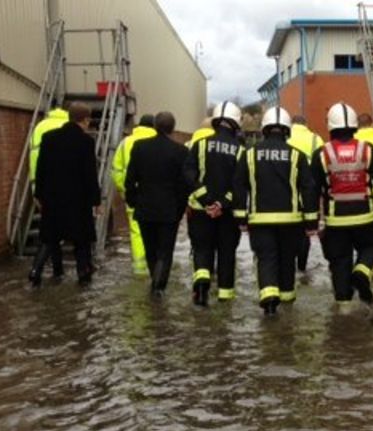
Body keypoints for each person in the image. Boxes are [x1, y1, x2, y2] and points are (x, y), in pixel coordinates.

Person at [233, 107, 318, 315]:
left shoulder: (249, 155)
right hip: (291, 221)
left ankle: (269, 301)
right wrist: (311, 223)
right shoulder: (297, 156)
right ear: (287, 130)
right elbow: (309, 189)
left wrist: (241, 217)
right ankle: (288, 303)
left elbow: (238, 186)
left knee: (266, 258)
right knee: (287, 259)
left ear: (265, 129)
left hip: (260, 221)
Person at [311, 102, 373, 304]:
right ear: (354, 126)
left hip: (335, 223)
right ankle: (362, 271)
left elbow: (312, 191)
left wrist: (312, 222)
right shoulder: (368, 150)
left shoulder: (321, 154)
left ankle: (343, 311)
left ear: (330, 126)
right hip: (366, 219)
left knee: (339, 264)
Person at [29, 102, 101, 286]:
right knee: (81, 240)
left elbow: (41, 169)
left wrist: (39, 195)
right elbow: (90, 174)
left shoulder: (48, 138)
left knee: (49, 237)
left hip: (53, 198)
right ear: (84, 120)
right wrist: (96, 200)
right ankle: (83, 275)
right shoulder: (86, 142)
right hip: (78, 200)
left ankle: (36, 270)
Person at [184, 101, 245, 306]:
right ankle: (225, 299)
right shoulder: (240, 150)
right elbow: (239, 185)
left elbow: (189, 175)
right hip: (227, 215)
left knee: (202, 249)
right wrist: (221, 204)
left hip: (200, 211)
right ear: (236, 124)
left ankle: (201, 288)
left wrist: (206, 200)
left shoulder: (199, 145)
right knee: (227, 253)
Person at [124, 112, 190, 296]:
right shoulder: (180, 151)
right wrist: (180, 209)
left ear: (154, 126)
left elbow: (130, 179)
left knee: (150, 249)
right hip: (169, 210)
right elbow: (183, 185)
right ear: (173, 128)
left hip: (145, 208)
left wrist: (133, 201)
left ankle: (155, 283)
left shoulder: (139, 147)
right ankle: (158, 287)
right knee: (165, 251)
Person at [111, 114, 157, 276]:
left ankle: (139, 268)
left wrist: (124, 190)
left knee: (137, 231)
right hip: (157, 197)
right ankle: (157, 267)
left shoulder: (125, 143)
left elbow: (116, 170)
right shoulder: (159, 143)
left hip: (134, 196)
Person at [28, 105, 69, 280]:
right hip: (64, 188)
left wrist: (34, 189)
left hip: (42, 186)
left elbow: (34, 159)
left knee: (51, 229)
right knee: (53, 233)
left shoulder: (40, 127)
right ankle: (37, 269)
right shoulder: (68, 126)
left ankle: (57, 270)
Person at [287, 115, 324, 273]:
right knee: (306, 232)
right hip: (309, 191)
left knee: (286, 230)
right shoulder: (316, 139)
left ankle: (287, 265)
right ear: (306, 124)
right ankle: (302, 268)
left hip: (287, 190)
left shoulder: (286, 136)